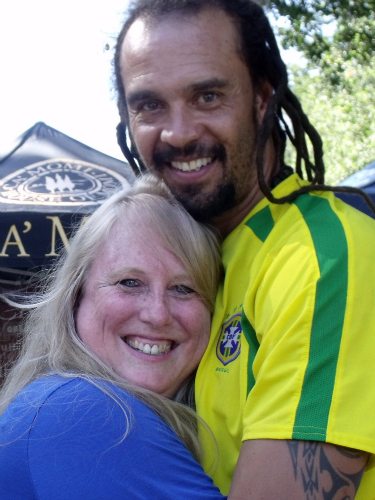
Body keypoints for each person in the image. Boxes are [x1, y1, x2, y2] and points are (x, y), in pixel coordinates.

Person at [113, 0, 375, 498]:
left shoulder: (320, 257)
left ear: (262, 97)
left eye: (208, 96)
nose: (179, 132)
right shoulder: (203, 266)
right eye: (149, 105)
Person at [0, 175, 225, 499]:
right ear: (76, 297)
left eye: (184, 288)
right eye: (130, 282)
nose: (157, 313)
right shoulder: (86, 415)